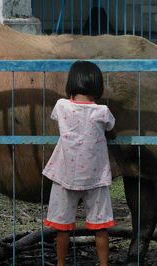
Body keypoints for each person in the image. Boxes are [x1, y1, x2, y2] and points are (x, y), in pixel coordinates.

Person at [42, 61, 117, 266]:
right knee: (100, 226)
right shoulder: (102, 111)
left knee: (63, 226)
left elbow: (57, 117)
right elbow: (111, 128)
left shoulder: (61, 105)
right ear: (97, 85)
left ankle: (61, 263)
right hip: (96, 177)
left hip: (65, 175)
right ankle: (104, 264)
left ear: (71, 84)